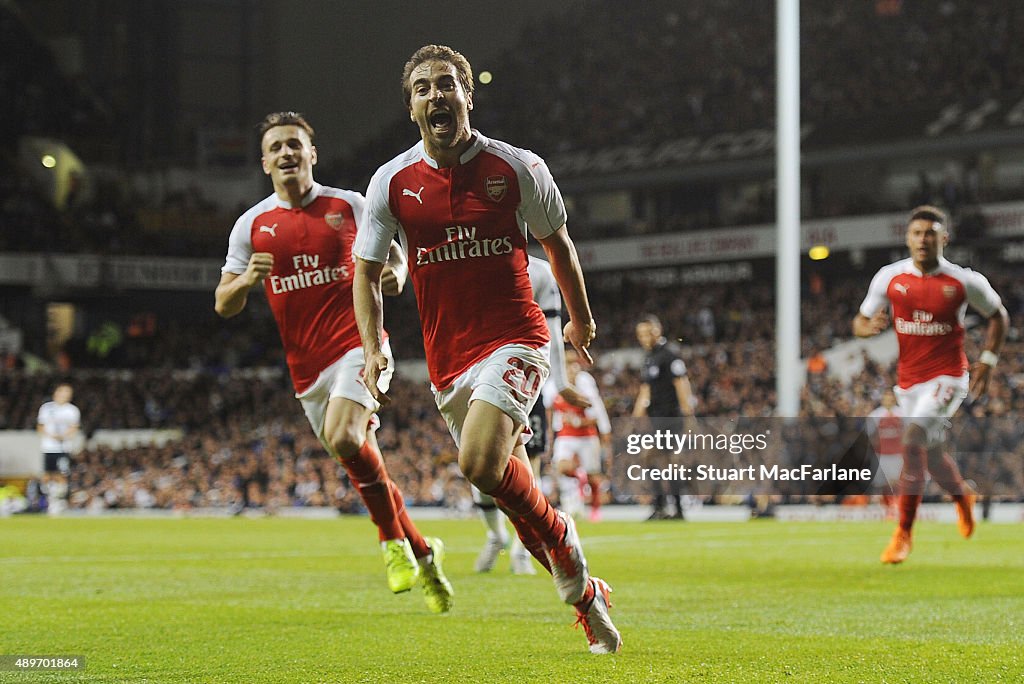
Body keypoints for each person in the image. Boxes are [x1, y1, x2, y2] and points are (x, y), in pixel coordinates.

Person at [353, 45, 621, 654]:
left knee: (476, 466)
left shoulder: (517, 167)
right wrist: (373, 350)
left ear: (468, 95)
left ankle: (566, 542)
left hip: (517, 338)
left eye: (446, 84)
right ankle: (585, 595)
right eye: (422, 87)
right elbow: (365, 273)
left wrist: (577, 322)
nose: (435, 95)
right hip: (448, 359)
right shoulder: (391, 182)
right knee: (509, 491)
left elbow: (559, 247)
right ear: (412, 106)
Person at [215, 111, 452, 612]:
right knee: (367, 466)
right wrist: (244, 282)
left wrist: (399, 272)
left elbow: (397, 250)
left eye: (294, 144)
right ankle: (424, 553)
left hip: (361, 347)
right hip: (307, 373)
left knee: (347, 437)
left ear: (311, 153)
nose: (286, 153)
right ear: (265, 161)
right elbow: (223, 303)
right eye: (276, 146)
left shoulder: (349, 205)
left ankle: (389, 544)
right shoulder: (252, 225)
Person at [853, 205, 1008, 564]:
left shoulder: (963, 281)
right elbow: (859, 322)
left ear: (944, 238)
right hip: (909, 383)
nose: (923, 239)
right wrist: (867, 328)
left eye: (931, 233)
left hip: (949, 378)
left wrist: (987, 360)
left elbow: (998, 315)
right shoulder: (889, 278)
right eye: (917, 233)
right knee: (933, 457)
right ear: (908, 239)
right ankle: (962, 498)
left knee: (912, 440)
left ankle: (903, 533)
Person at [473, 255, 591, 575]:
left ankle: (523, 549)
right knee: (480, 470)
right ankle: (496, 535)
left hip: (526, 380)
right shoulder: (472, 261)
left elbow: (552, 327)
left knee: (528, 468)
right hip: (475, 374)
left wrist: (561, 383)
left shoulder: (539, 271)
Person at [632, 315, 697, 519]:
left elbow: (681, 385)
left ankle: (669, 506)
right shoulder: (650, 357)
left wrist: (688, 415)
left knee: (661, 459)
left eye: (647, 333)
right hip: (656, 417)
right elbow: (646, 390)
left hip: (670, 417)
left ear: (657, 331)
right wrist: (637, 416)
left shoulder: (670, 355)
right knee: (662, 461)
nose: (643, 338)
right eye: (640, 334)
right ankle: (669, 507)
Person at [550, 348, 612, 522]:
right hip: (565, 435)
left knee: (594, 475)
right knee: (562, 468)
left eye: (572, 363)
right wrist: (553, 431)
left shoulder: (585, 382)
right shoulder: (553, 381)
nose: (570, 367)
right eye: (567, 363)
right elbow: (552, 410)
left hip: (586, 435)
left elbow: (596, 412)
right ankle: (579, 478)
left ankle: (595, 509)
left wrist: (602, 430)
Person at [37, 382, 79, 515]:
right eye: (62, 391)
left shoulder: (72, 410)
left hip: (63, 447)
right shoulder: (46, 408)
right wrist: (51, 436)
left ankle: (59, 502)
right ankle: (50, 501)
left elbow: (74, 428)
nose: (64, 395)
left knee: (61, 475)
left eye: (68, 392)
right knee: (47, 475)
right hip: (48, 447)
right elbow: (40, 426)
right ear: (56, 393)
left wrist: (63, 436)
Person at [865, 389, 903, 514]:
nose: (888, 400)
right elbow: (869, 434)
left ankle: (897, 505)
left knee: (896, 482)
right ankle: (884, 506)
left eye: (890, 397)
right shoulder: (875, 415)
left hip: (898, 454)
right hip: (881, 454)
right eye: (886, 397)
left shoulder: (902, 413)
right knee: (881, 483)